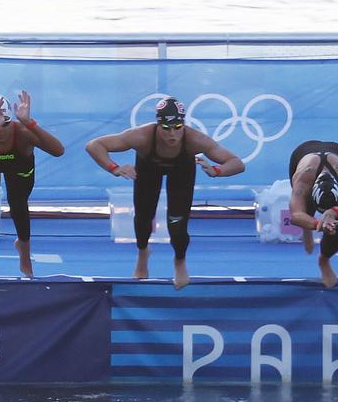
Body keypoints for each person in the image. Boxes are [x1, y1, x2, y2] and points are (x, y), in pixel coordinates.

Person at [84, 97, 247, 289]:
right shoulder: (141, 136)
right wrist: (114, 168)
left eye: (177, 127)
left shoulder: (195, 140)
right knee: (144, 217)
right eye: (166, 128)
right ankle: (143, 253)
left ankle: (179, 261)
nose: (172, 134)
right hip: (147, 168)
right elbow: (94, 145)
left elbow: (237, 163)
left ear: (184, 125)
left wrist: (217, 171)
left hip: (182, 171)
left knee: (177, 223)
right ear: (157, 124)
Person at [0, 90, 65, 289]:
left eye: (4, 124)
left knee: (18, 204)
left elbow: (58, 151)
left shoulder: (24, 133)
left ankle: (24, 247)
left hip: (19, 165)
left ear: (11, 121)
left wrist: (30, 123)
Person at [284, 138, 338, 289]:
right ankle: (307, 230)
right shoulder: (303, 179)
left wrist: (335, 211)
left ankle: (324, 259)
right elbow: (295, 215)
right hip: (302, 153)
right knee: (304, 208)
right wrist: (317, 224)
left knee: (337, 230)